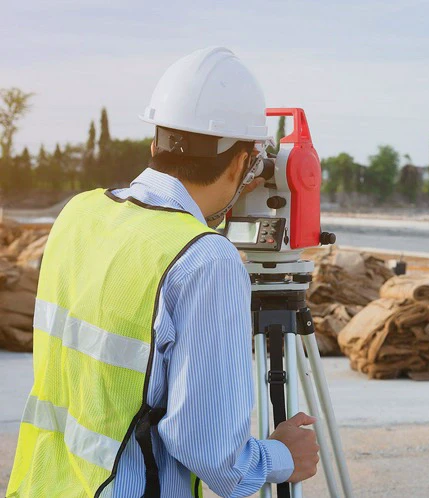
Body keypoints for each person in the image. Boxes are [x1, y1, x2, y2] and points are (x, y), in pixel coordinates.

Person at [7, 47, 320, 498]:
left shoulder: (79, 214)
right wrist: (282, 457)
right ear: (243, 162)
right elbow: (216, 454)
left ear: (155, 142)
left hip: (43, 486)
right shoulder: (204, 260)